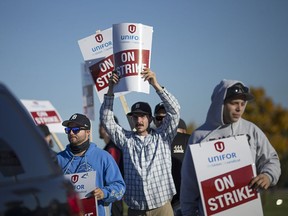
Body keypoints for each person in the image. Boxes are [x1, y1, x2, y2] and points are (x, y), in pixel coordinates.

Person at [180, 79, 281, 216]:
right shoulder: (199, 136)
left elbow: (272, 159)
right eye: (234, 103)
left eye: (243, 104)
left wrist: (268, 175)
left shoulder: (251, 130)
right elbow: (189, 182)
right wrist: (188, 213)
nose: (239, 109)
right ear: (220, 104)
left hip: (247, 210)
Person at [100, 68, 180, 216]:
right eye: (135, 117)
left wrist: (156, 85)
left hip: (162, 207)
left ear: (150, 119)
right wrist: (111, 88)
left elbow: (175, 111)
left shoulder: (163, 136)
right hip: (136, 210)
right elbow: (106, 120)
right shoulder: (126, 140)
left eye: (143, 116)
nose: (139, 120)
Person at [57, 113, 126, 216]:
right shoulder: (58, 159)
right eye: (68, 129)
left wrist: (104, 193)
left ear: (88, 132)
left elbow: (120, 187)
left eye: (76, 129)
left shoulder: (103, 157)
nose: (71, 132)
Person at [154, 103, 190, 215]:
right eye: (159, 118)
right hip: (159, 204)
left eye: (166, 117)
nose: (162, 120)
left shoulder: (187, 139)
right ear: (154, 120)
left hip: (182, 201)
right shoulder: (148, 142)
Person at [99, 116, 124, 216]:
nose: (99, 128)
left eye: (101, 125)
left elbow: (112, 173)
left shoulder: (112, 148)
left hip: (113, 195)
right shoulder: (109, 147)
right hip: (111, 194)